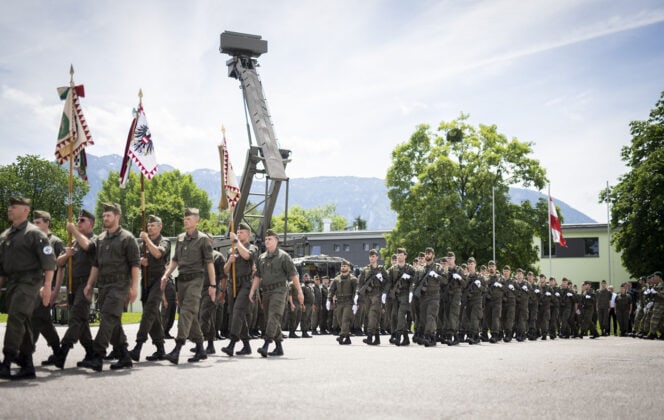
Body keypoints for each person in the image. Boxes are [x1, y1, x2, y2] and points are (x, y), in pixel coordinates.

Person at [78, 203, 140, 371]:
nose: (105, 219)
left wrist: (134, 288)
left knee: (107, 317)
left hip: (120, 285)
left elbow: (135, 266)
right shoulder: (100, 239)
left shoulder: (127, 238)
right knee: (113, 321)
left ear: (117, 217)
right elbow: (96, 265)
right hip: (104, 285)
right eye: (104, 216)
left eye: (109, 216)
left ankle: (97, 356)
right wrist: (90, 284)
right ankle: (125, 355)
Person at [0, 197, 56, 380]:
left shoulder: (35, 234)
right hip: (13, 283)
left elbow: (49, 263)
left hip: (30, 282)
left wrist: (47, 287)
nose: (9, 209)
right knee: (23, 321)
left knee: (16, 317)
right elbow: (2, 267)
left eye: (14, 207)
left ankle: (7, 361)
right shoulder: (6, 235)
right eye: (9, 206)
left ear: (25, 210)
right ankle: (28, 364)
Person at [160, 208, 216, 365]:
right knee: (190, 314)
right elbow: (175, 260)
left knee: (185, 313)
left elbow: (209, 263)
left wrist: (213, 284)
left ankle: (177, 349)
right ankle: (200, 348)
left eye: (189, 218)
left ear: (196, 221)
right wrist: (166, 274)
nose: (185, 221)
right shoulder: (180, 238)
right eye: (184, 218)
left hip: (196, 281)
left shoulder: (203, 240)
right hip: (182, 281)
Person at [53, 209, 97, 368]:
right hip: (73, 285)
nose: (78, 223)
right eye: (77, 220)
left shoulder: (94, 239)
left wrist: (72, 230)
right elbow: (58, 263)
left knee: (76, 318)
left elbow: (88, 247)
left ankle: (62, 353)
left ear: (91, 223)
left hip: (86, 284)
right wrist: (66, 255)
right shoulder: (74, 242)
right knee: (82, 321)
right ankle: (92, 354)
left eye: (82, 220)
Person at [250, 229, 302, 357]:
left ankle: (266, 345)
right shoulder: (262, 257)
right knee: (270, 319)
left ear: (276, 241)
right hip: (266, 291)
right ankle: (279, 347)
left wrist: (299, 291)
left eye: (270, 239)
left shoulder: (283, 257)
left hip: (279, 290)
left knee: (274, 316)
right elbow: (257, 276)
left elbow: (294, 275)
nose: (267, 241)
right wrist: (252, 290)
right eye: (266, 239)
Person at [128, 215, 170, 362]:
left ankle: (138, 346)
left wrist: (146, 240)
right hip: (145, 281)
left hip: (159, 280)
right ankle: (160, 349)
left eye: (153, 225)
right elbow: (136, 262)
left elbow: (158, 253)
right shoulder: (142, 246)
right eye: (149, 225)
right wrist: (141, 262)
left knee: (148, 312)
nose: (150, 227)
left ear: (160, 227)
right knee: (154, 317)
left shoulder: (164, 241)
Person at [30, 210, 65, 366]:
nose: (35, 226)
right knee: (44, 321)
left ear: (47, 222)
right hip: (33, 287)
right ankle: (58, 353)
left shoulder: (55, 242)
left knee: (35, 319)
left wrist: (54, 291)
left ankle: (25, 354)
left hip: (47, 288)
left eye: (38, 222)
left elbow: (61, 269)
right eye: (34, 223)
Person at [221, 222, 258, 356]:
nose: (238, 234)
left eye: (241, 232)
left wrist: (236, 242)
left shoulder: (252, 247)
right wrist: (229, 261)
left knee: (237, 311)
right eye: (237, 232)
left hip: (245, 284)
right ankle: (246, 345)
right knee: (236, 314)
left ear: (248, 234)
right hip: (232, 284)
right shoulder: (231, 249)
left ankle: (232, 343)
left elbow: (247, 256)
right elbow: (225, 271)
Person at [355, 249, 388, 345]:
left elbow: (387, 282)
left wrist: (382, 280)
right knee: (371, 316)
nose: (371, 258)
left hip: (377, 294)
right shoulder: (365, 269)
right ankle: (377, 338)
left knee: (372, 315)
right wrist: (358, 294)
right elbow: (360, 283)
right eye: (370, 256)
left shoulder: (381, 269)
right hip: (367, 296)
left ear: (377, 257)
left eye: (373, 256)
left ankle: (369, 336)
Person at [327, 260, 358, 345]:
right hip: (339, 302)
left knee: (345, 319)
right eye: (342, 266)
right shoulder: (337, 279)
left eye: (345, 266)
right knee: (340, 320)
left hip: (349, 302)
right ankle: (347, 338)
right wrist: (328, 299)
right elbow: (331, 290)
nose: (343, 267)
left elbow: (356, 291)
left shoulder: (353, 279)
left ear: (349, 268)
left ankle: (341, 336)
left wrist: (356, 302)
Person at [463, 257, 484, 345]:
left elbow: (485, 289)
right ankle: (473, 335)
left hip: (477, 300)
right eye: (469, 264)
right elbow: (463, 288)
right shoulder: (466, 276)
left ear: (475, 265)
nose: (470, 265)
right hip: (468, 301)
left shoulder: (480, 277)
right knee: (469, 318)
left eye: (472, 264)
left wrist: (480, 286)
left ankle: (474, 336)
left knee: (474, 318)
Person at [482, 260, 504, 343]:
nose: (491, 268)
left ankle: (494, 334)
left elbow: (505, 289)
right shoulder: (485, 278)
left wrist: (500, 285)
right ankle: (496, 332)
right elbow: (483, 289)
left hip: (496, 301)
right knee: (488, 319)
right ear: (488, 268)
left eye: (493, 266)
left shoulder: (500, 278)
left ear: (496, 267)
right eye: (490, 266)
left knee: (495, 318)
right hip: (487, 301)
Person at [514, 268, 530, 342]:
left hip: (523, 305)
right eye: (518, 274)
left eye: (520, 274)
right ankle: (518, 334)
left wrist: (527, 290)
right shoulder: (514, 283)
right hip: (516, 305)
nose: (519, 275)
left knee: (522, 321)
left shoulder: (527, 283)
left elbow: (532, 295)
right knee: (516, 320)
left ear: (523, 275)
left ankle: (522, 335)